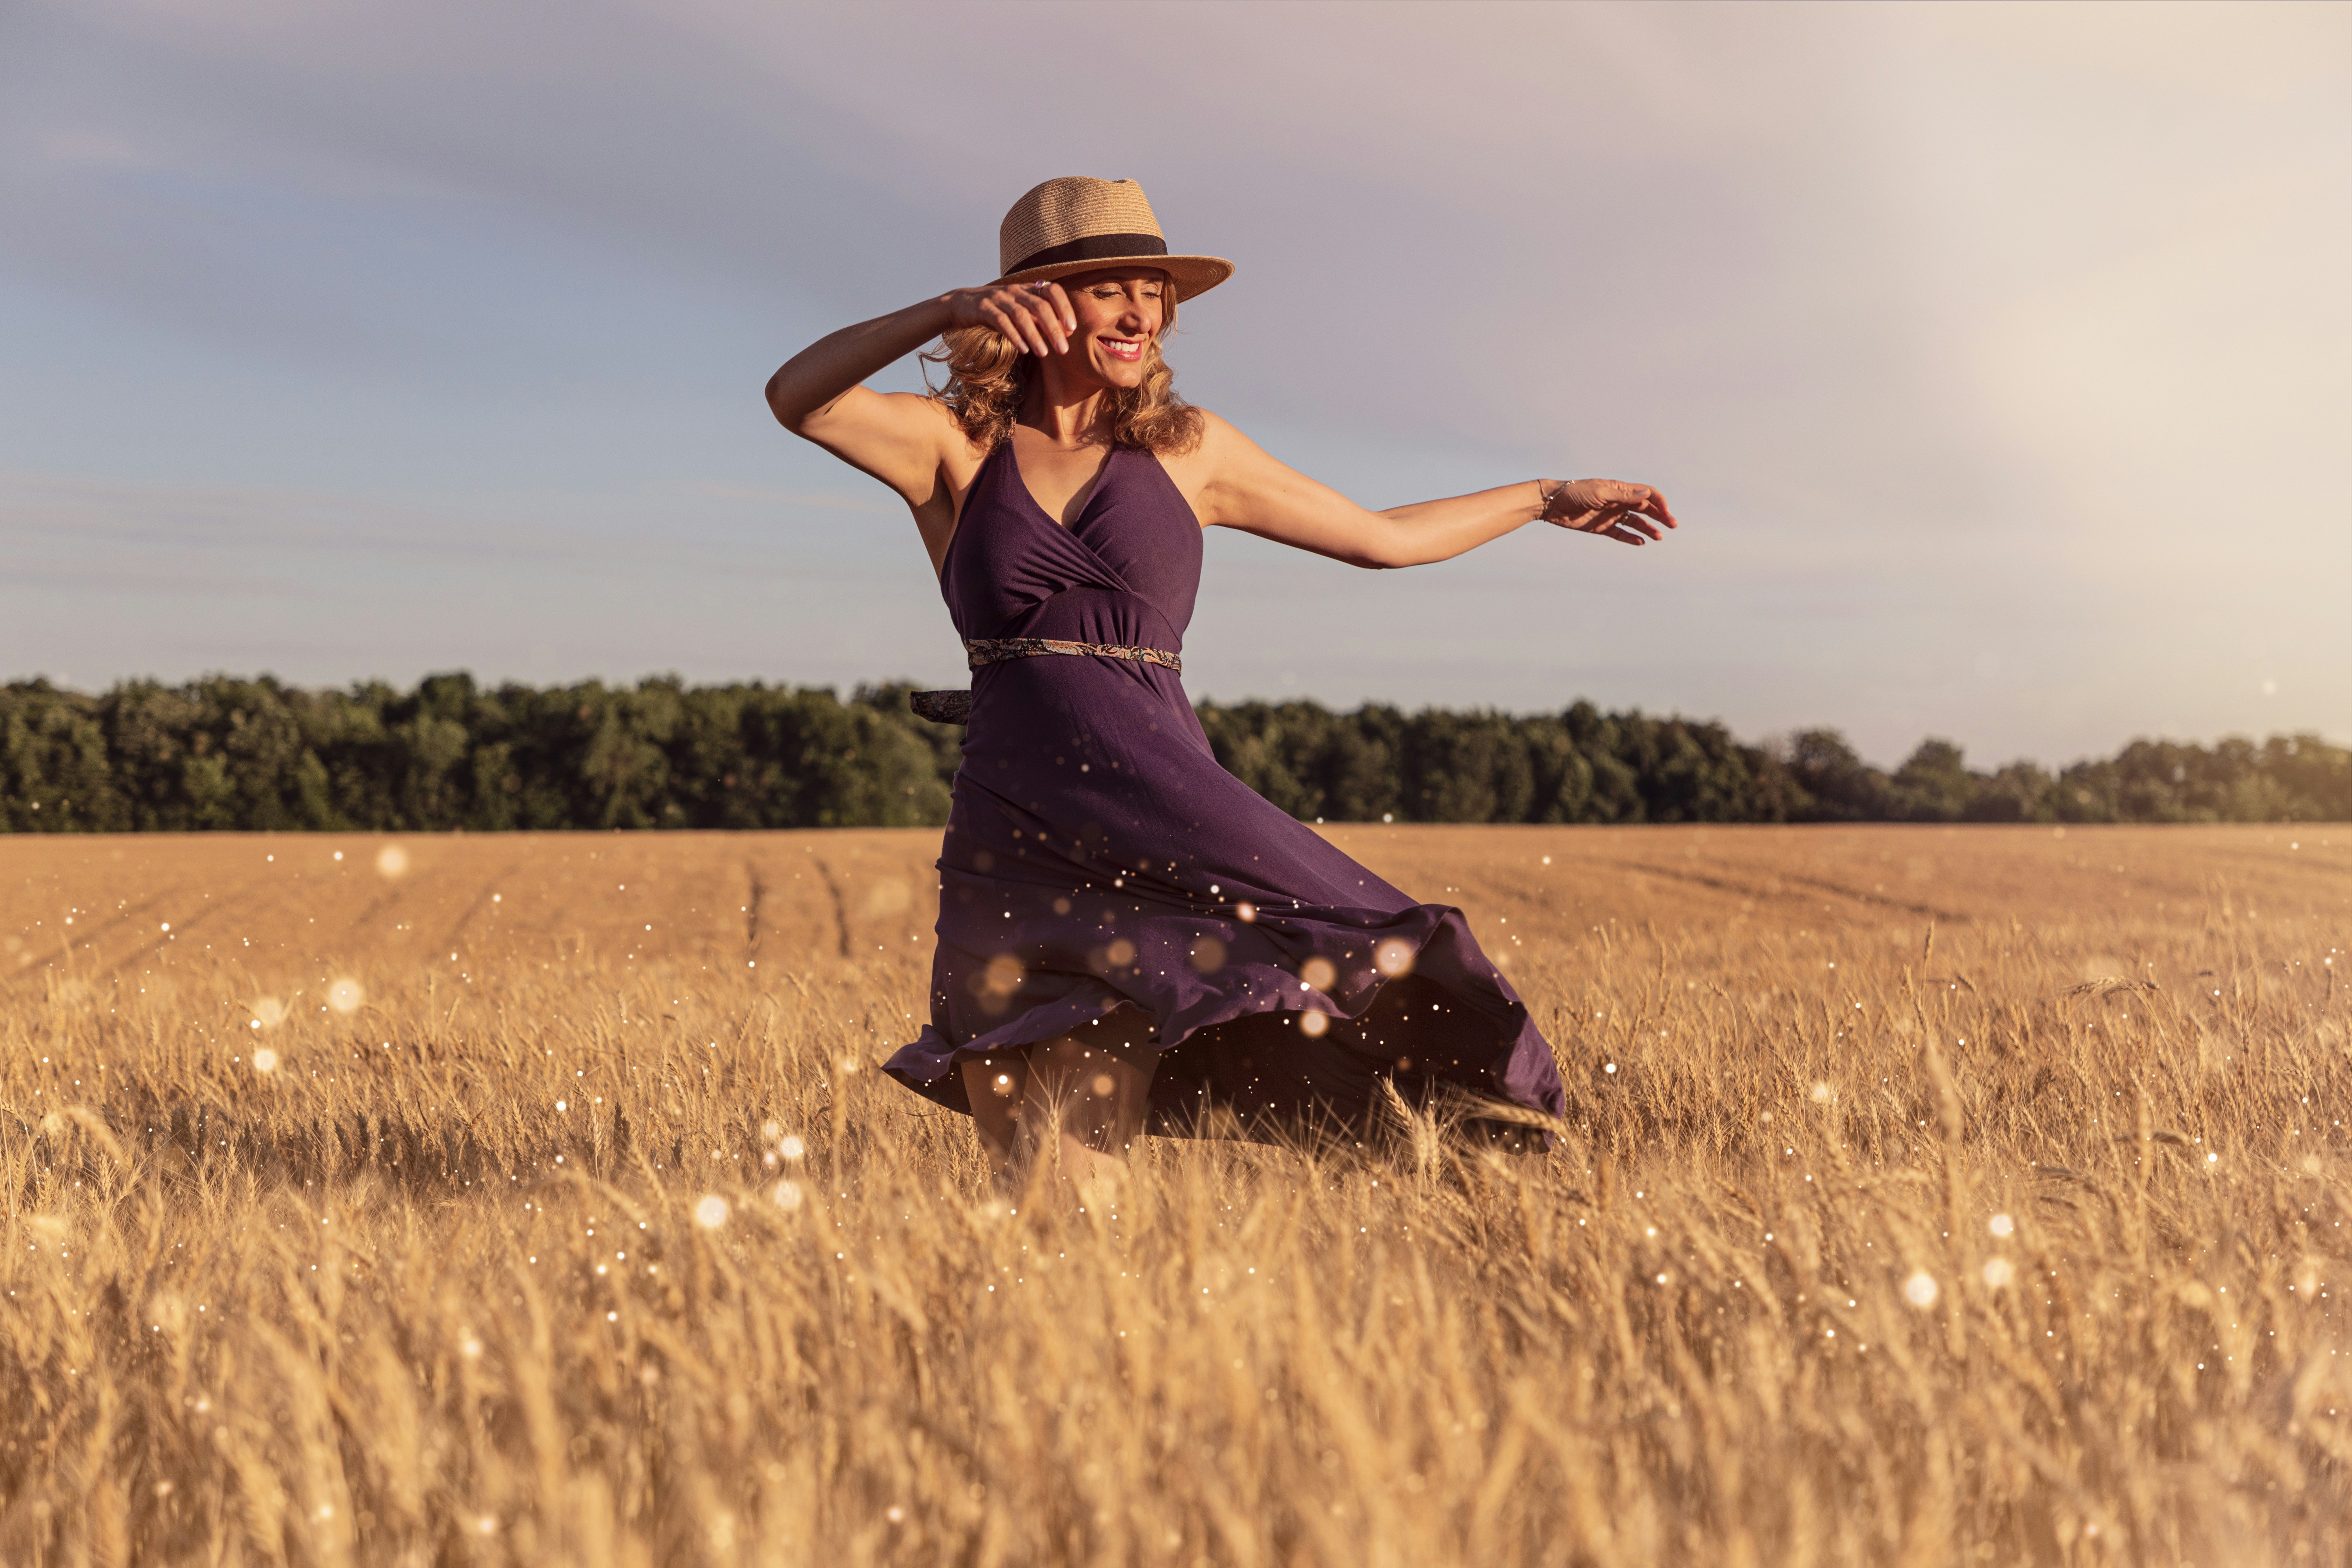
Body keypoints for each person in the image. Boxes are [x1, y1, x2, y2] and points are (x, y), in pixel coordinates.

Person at [765, 176, 1675, 1198]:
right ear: (1035, 303)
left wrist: (1545, 496)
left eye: (1151, 291)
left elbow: (1383, 540)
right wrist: (941, 310)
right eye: (1109, 288)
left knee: (1375, 963)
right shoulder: (953, 447)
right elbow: (799, 398)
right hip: (1017, 834)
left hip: (1169, 810)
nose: (1140, 313)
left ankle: (1472, 1161)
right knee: (1048, 1205)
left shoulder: (1189, 449)